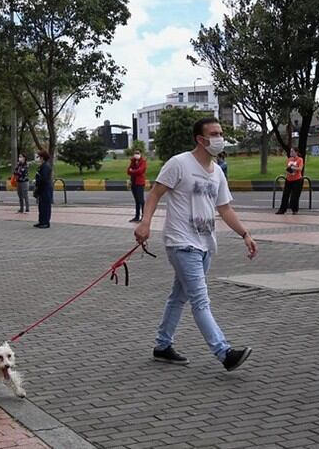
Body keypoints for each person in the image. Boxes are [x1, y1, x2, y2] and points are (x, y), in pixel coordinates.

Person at [134, 117, 258, 371]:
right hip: (181, 243)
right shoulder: (179, 163)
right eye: (214, 134)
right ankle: (224, 353)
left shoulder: (218, 172)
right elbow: (155, 193)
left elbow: (224, 208)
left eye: (221, 133)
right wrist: (145, 223)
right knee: (200, 300)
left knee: (178, 297)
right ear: (200, 139)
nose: (220, 138)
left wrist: (245, 234)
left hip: (205, 245)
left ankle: (162, 346)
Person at [276, 147, 304, 215]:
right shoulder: (289, 159)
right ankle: (282, 209)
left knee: (294, 196)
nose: (291, 152)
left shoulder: (300, 159)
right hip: (288, 179)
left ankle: (295, 210)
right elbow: (287, 168)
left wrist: (292, 168)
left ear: (296, 152)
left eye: (292, 151)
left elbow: (300, 168)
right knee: (285, 195)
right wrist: (288, 171)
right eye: (290, 151)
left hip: (297, 180)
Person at [34, 150, 53, 228]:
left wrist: (37, 180)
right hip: (42, 189)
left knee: (45, 206)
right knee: (41, 206)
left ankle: (45, 222)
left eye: (39, 157)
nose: (38, 159)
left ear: (42, 157)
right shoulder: (42, 166)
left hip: (45, 188)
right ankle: (41, 221)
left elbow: (44, 178)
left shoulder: (46, 166)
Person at [127, 149, 147, 223]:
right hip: (133, 182)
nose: (136, 154)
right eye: (135, 153)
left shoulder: (143, 161)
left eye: (138, 153)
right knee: (137, 201)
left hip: (140, 183)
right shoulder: (133, 161)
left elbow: (140, 171)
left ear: (140, 154)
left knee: (141, 200)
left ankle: (144, 216)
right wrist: (133, 162)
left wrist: (132, 171)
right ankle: (137, 216)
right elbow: (128, 171)